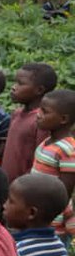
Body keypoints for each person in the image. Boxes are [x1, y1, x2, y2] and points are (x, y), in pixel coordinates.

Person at [29, 87, 75, 236]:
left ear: (63, 119)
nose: (38, 115)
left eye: (45, 112)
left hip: (51, 217)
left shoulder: (67, 149)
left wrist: (51, 216)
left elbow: (65, 190)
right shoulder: (49, 141)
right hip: (38, 209)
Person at [1, 63, 57, 182]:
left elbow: (40, 160)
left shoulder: (42, 121)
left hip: (25, 188)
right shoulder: (16, 114)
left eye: (20, 84)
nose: (14, 87)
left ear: (39, 90)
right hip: (6, 183)